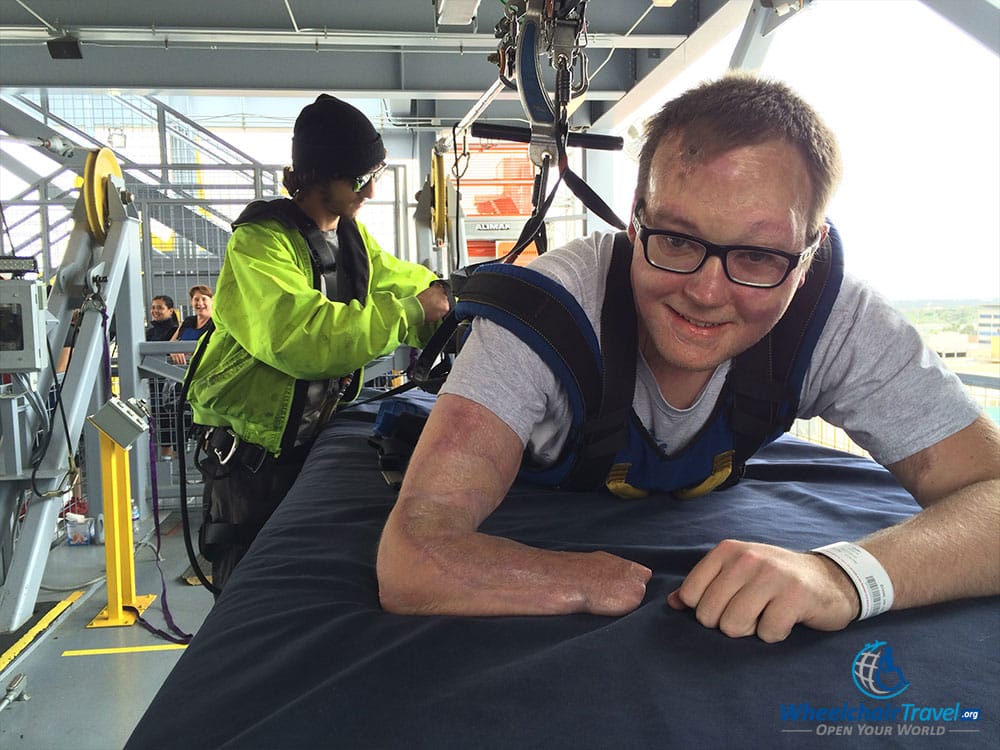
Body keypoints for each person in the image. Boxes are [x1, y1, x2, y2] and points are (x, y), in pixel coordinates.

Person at [376, 74, 1000, 643]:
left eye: (758, 255)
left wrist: (844, 577)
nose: (705, 293)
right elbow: (414, 554)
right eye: (676, 239)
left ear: (810, 252)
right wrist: (587, 580)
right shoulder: (547, 315)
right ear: (635, 223)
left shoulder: (838, 321)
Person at [186, 94, 451, 590]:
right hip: (251, 466)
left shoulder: (352, 239)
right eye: (359, 178)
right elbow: (303, 338)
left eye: (375, 175)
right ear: (316, 175)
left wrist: (458, 301)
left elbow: (407, 282)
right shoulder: (259, 244)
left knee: (312, 584)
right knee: (251, 593)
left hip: (312, 448)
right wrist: (414, 311)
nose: (371, 190)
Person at [145, 294, 180, 457]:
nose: (155, 311)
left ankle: (176, 460)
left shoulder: (175, 331)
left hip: (170, 385)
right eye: (153, 307)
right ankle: (165, 460)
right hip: (152, 384)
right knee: (160, 424)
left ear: (170, 311)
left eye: (160, 307)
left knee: (172, 424)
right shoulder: (150, 332)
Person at [169, 285, 215, 365]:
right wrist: (174, 351)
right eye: (196, 299)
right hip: (180, 366)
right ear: (192, 302)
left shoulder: (216, 323)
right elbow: (170, 344)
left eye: (204, 299)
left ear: (212, 301)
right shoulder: (187, 321)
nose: (200, 303)